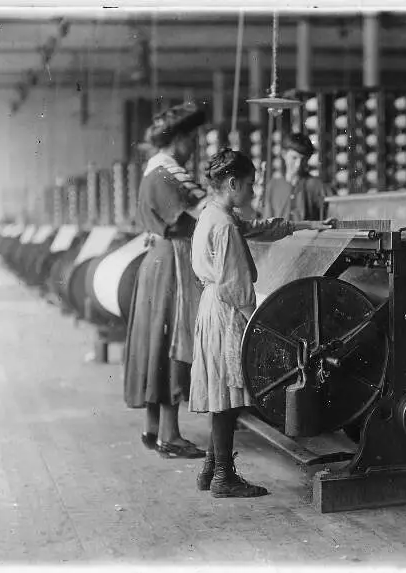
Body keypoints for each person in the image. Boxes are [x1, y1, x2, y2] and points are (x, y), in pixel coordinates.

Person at [189, 148, 332, 498]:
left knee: (222, 393)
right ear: (233, 183)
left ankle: (212, 468)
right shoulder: (223, 225)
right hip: (226, 310)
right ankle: (224, 476)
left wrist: (303, 226)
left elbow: (255, 228)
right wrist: (265, 325)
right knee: (229, 395)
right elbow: (238, 288)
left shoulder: (212, 213)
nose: (253, 192)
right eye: (250, 185)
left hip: (213, 307)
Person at [123, 103, 209, 459]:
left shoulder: (155, 172)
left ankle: (153, 427)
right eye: (192, 139)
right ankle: (170, 436)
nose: (195, 146)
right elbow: (200, 215)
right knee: (174, 340)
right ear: (178, 139)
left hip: (157, 262)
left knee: (155, 341)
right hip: (171, 263)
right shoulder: (166, 176)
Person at [262, 132, 333, 221]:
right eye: (294, 158)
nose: (298, 165)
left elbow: (332, 213)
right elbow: (267, 224)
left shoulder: (317, 185)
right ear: (284, 154)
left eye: (303, 159)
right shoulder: (273, 186)